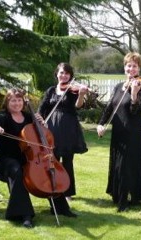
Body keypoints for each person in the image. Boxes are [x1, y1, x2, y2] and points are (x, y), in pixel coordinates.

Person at [0, 88, 77, 229]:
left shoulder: (29, 117)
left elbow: (43, 137)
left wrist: (42, 125)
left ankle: (61, 208)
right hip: (4, 159)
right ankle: (25, 215)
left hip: (28, 158)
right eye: (13, 100)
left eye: (19, 100)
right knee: (17, 171)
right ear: (7, 102)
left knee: (49, 169)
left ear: (23, 102)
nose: (17, 103)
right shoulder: (2, 117)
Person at [97, 52, 141, 212]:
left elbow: (134, 111)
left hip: (133, 133)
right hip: (118, 132)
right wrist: (101, 123)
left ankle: (125, 200)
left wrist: (133, 94)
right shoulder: (118, 86)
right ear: (124, 67)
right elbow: (110, 106)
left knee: (127, 166)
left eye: (134, 66)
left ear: (139, 68)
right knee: (118, 164)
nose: (131, 68)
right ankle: (118, 195)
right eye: (128, 65)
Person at [38, 62, 88, 202]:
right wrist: (40, 119)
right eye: (61, 72)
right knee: (52, 160)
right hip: (52, 127)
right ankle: (53, 188)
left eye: (67, 73)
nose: (64, 75)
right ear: (57, 74)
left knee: (67, 161)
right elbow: (42, 108)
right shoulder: (51, 91)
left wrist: (81, 95)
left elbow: (78, 106)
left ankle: (67, 192)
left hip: (68, 128)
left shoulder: (73, 90)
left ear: (70, 76)